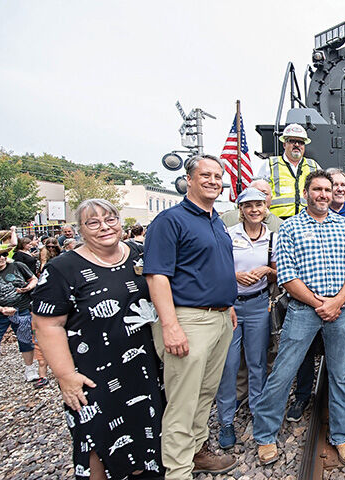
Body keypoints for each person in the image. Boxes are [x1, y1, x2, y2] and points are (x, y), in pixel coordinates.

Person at [31, 199, 164, 479]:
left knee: (146, 431)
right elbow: (47, 326)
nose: (104, 227)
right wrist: (66, 376)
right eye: (93, 222)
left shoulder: (140, 254)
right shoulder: (62, 269)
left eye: (110, 219)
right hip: (92, 372)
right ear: (80, 228)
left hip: (145, 365)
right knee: (96, 438)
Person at [253, 170, 345, 467]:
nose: (324, 194)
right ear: (306, 193)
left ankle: (341, 436)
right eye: (317, 189)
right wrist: (319, 304)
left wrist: (338, 301)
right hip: (303, 310)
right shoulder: (289, 229)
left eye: (327, 189)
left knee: (339, 375)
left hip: (339, 310)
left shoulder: (344, 226)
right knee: (283, 373)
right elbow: (287, 277)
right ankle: (265, 434)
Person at [144, 154, 239, 479]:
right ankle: (178, 471)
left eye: (218, 175)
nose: (213, 181)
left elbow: (214, 269)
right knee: (182, 401)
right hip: (188, 320)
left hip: (220, 318)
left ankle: (197, 451)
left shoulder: (215, 221)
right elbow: (157, 276)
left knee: (204, 394)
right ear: (189, 179)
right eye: (206, 175)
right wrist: (170, 326)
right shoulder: (170, 221)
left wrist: (229, 306)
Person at [215, 187, 277, 449]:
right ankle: (226, 420)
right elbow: (216, 269)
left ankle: (257, 411)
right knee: (228, 365)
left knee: (257, 362)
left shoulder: (273, 238)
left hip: (258, 304)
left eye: (259, 205)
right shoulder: (228, 235)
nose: (254, 210)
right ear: (240, 209)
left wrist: (267, 270)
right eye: (248, 205)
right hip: (230, 305)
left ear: (266, 209)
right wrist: (234, 277)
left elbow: (279, 272)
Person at [0, 244, 38, 382]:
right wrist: (1, 309)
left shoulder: (18, 266)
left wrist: (28, 287)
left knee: (26, 340)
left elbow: (33, 278)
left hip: (21, 309)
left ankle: (30, 369)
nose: (1, 258)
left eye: (4, 254)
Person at [257, 123, 320, 219]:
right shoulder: (270, 164)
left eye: (301, 142)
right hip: (277, 221)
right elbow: (258, 193)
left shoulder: (313, 166)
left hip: (307, 221)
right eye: (292, 141)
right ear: (284, 144)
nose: (297, 145)